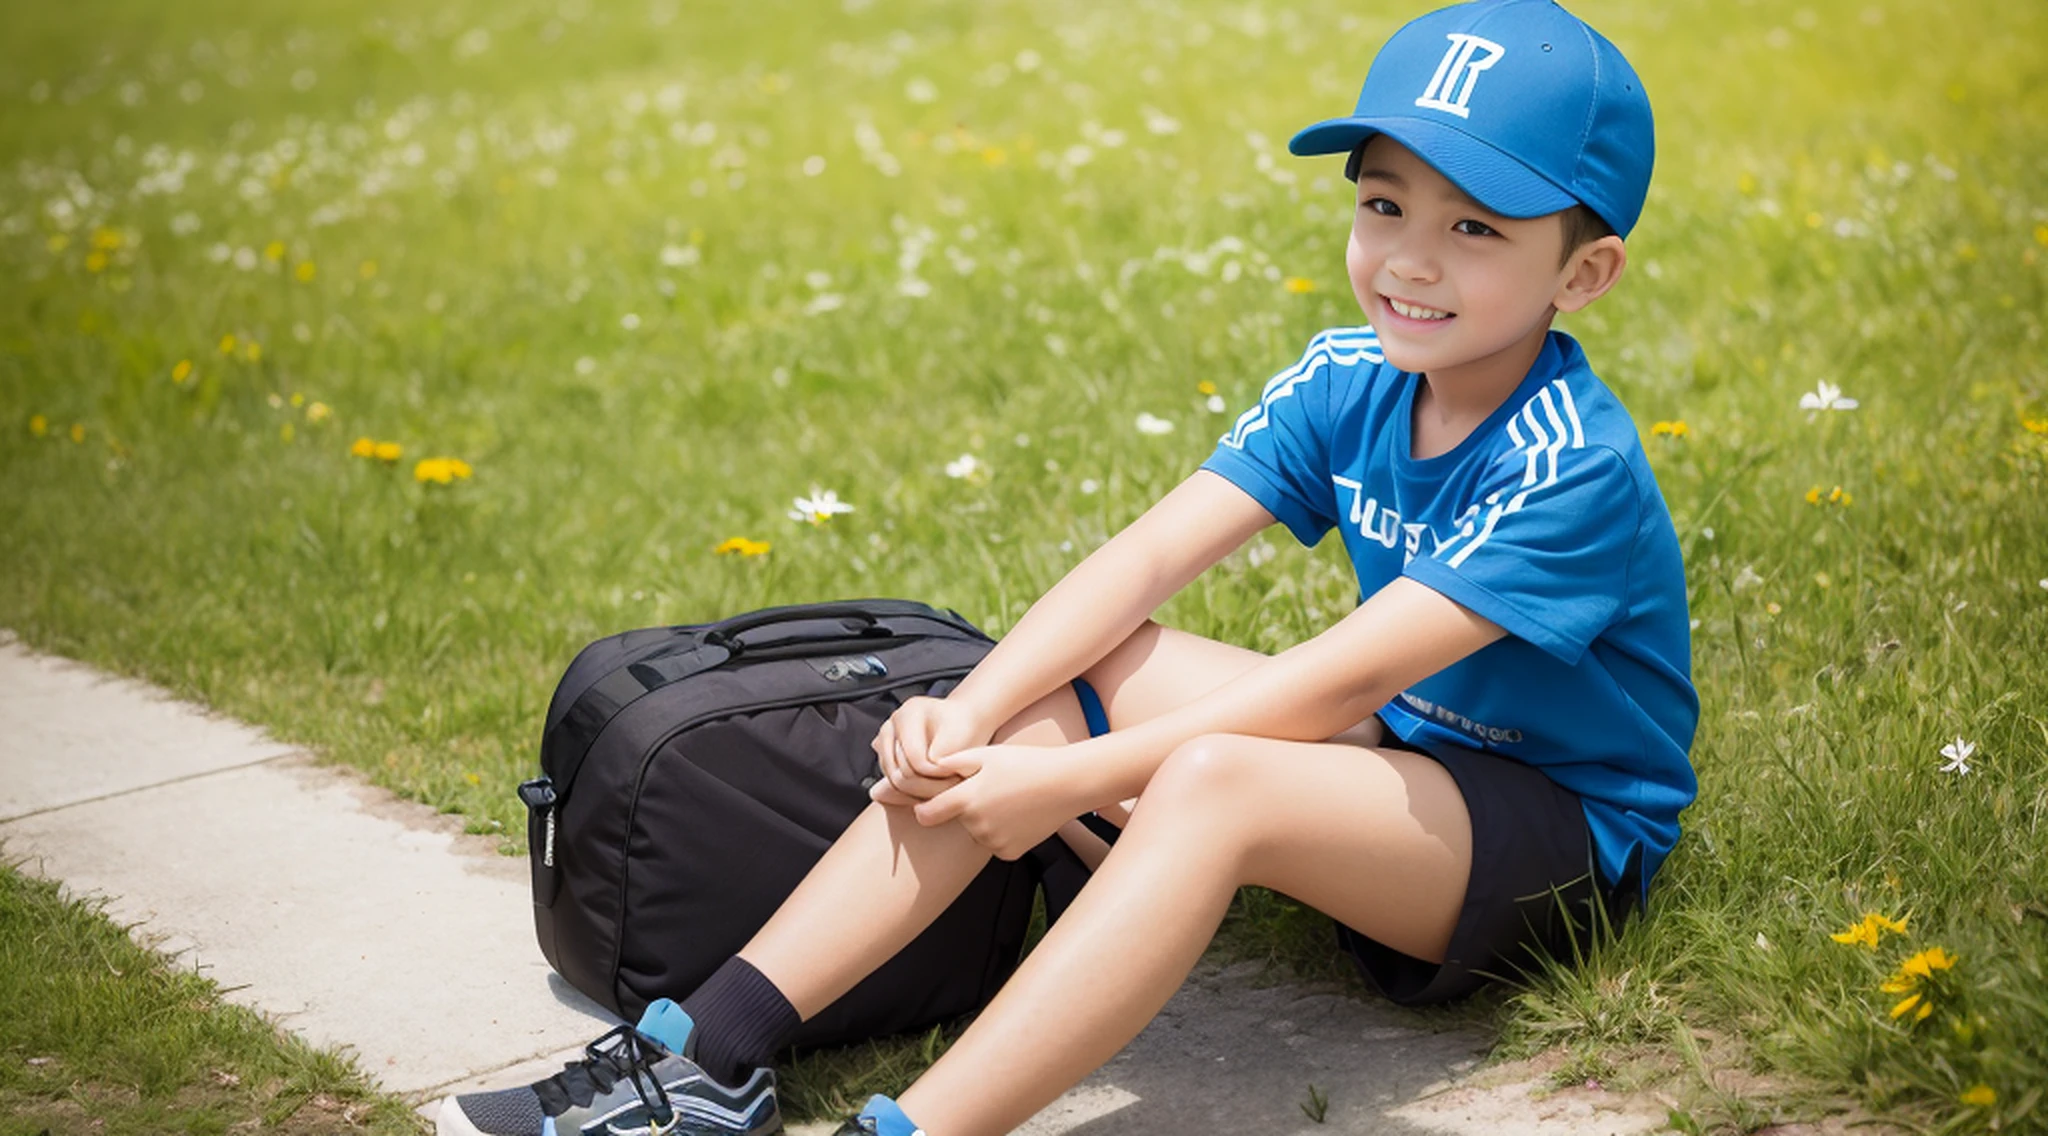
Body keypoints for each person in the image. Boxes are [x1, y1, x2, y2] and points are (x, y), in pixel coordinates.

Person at [436, 1, 1698, 1133]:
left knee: (1209, 779)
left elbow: (1326, 684)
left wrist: (1075, 783)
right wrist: (972, 712)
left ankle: (918, 1130)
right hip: (1406, 757)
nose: (1410, 259)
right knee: (1056, 676)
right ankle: (709, 1056)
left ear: (1578, 273)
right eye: (1382, 204)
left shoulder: (1565, 461)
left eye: (1473, 225)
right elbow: (1150, 552)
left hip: (1558, 835)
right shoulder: (1349, 376)